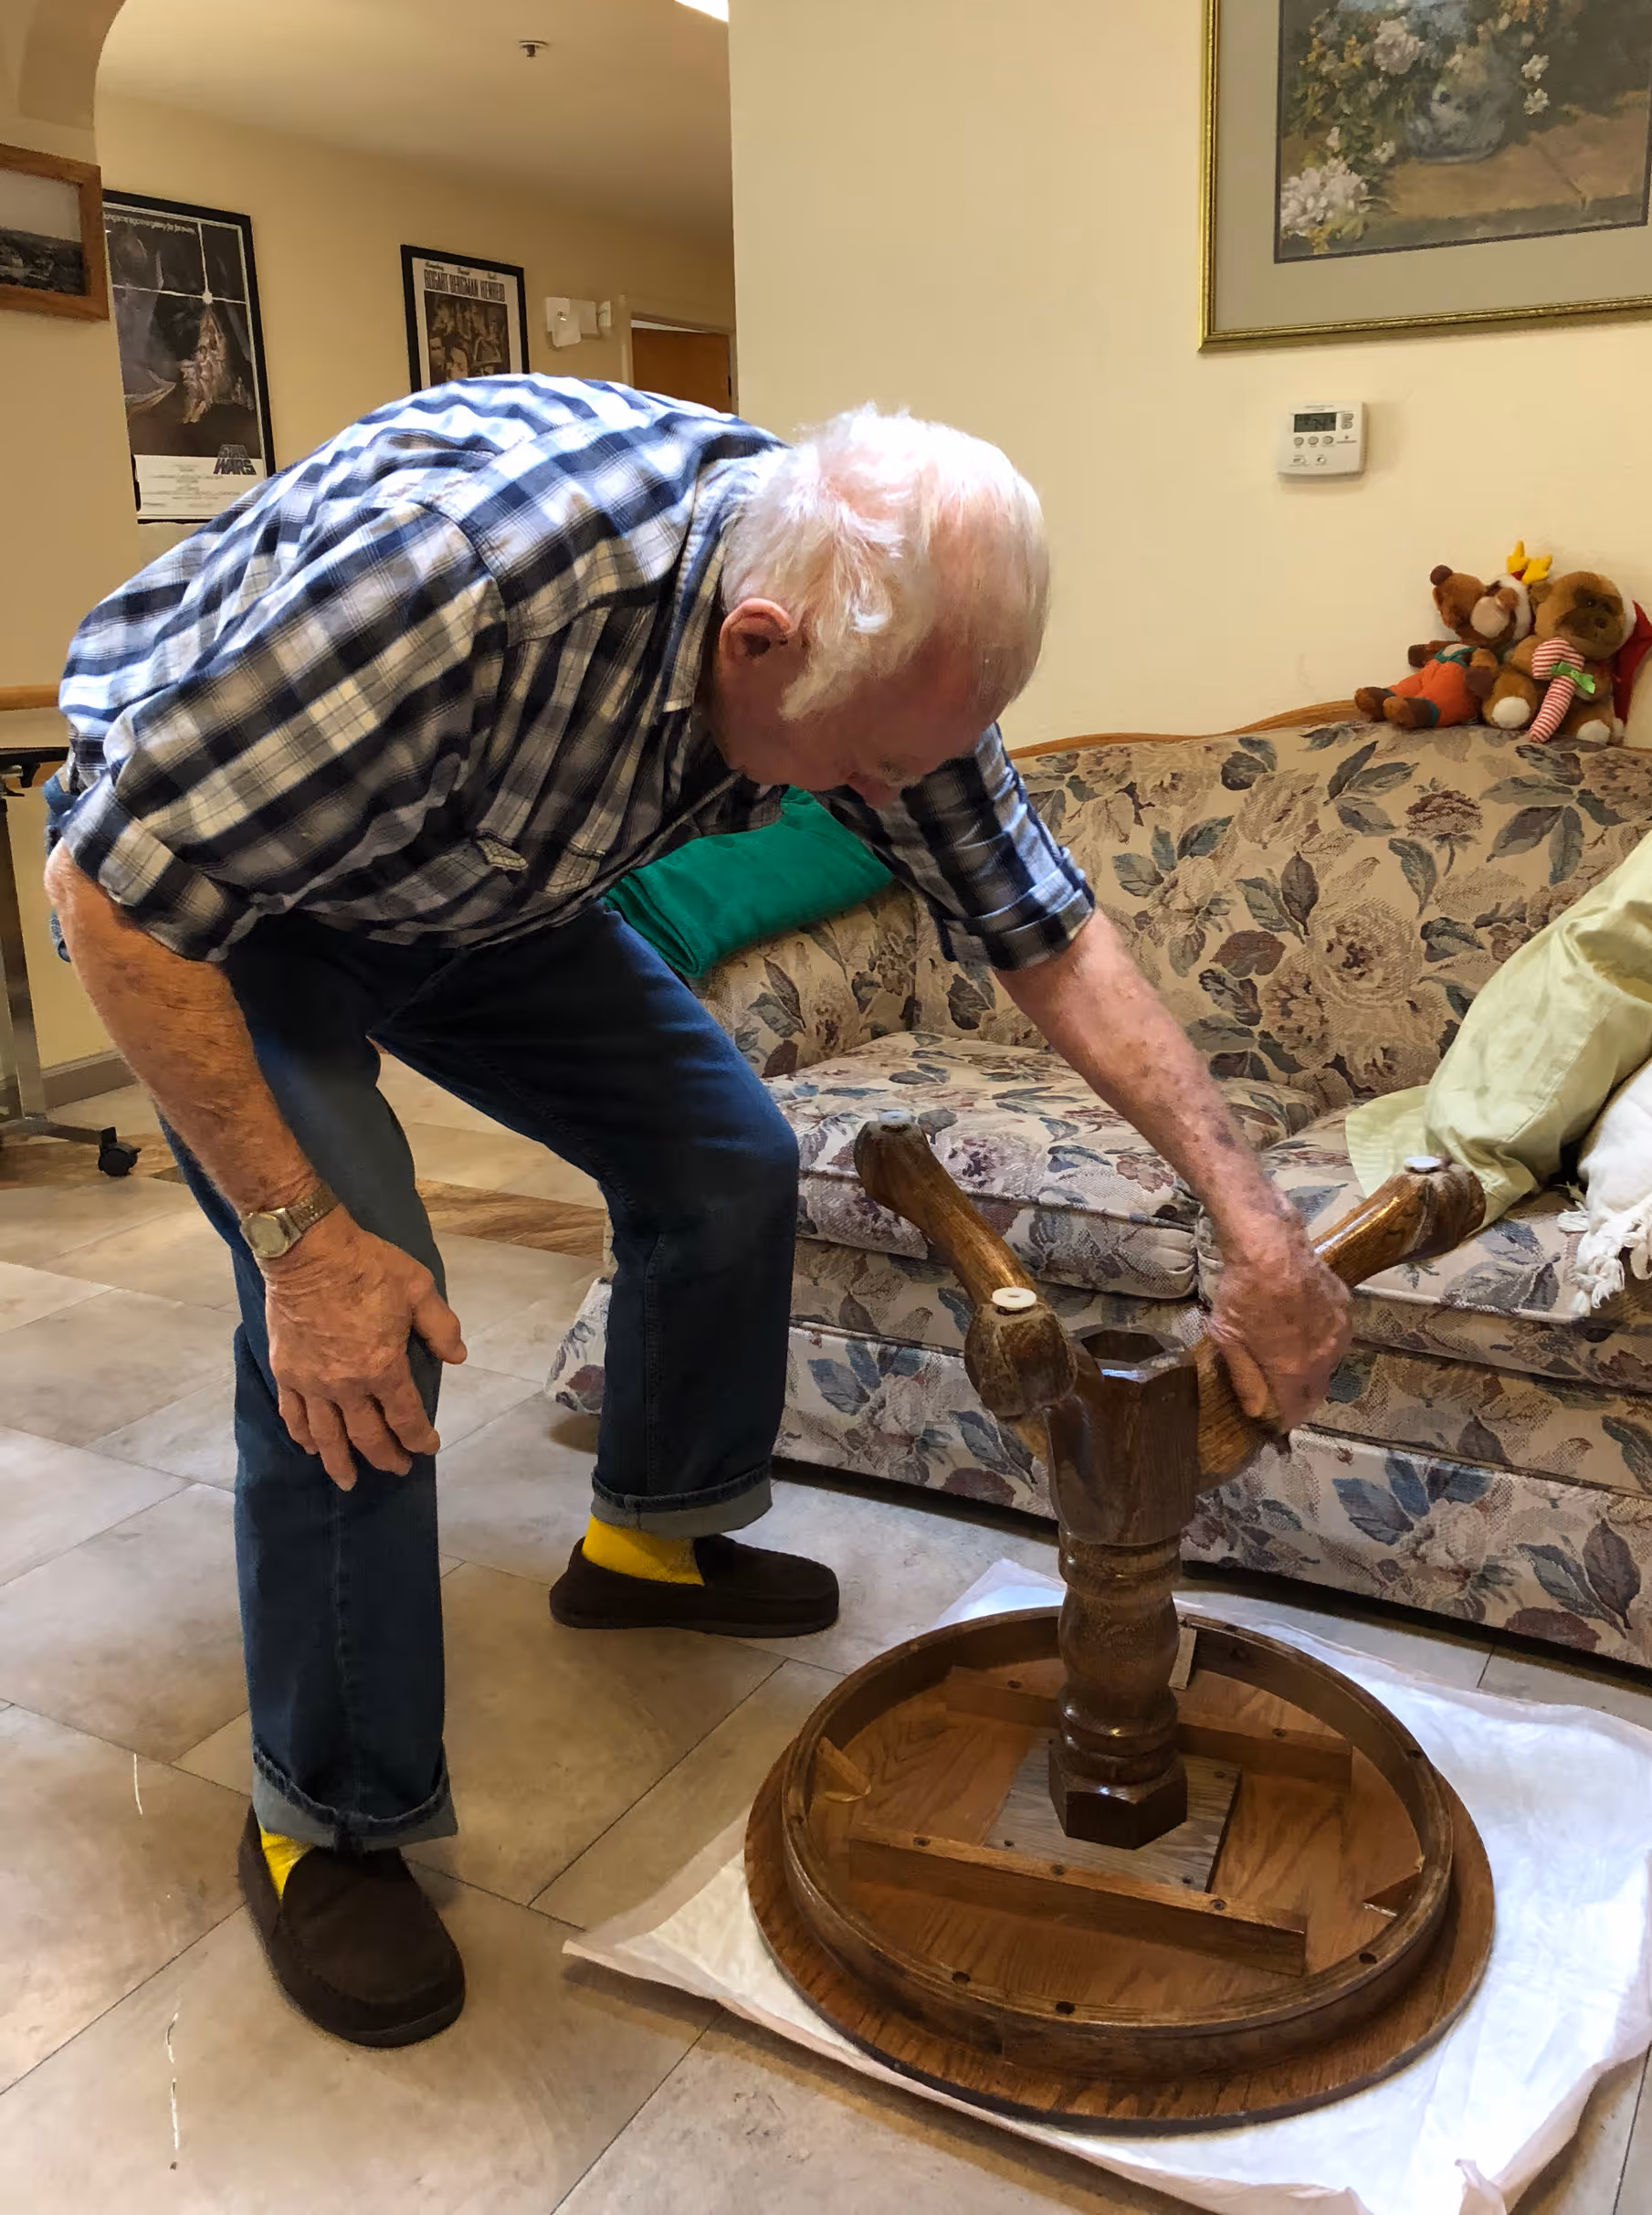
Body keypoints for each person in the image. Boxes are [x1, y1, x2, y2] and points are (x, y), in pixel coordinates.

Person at [46, 380, 1349, 2051]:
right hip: (220, 904)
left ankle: (644, 1542)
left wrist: (1257, 1225)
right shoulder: (457, 579)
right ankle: (331, 1818)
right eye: (868, 773)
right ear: (756, 639)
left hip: (473, 889)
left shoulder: (893, 633)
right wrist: (304, 1245)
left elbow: (1045, 932)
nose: (891, 801)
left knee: (727, 1159)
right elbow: (113, 891)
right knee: (368, 1322)